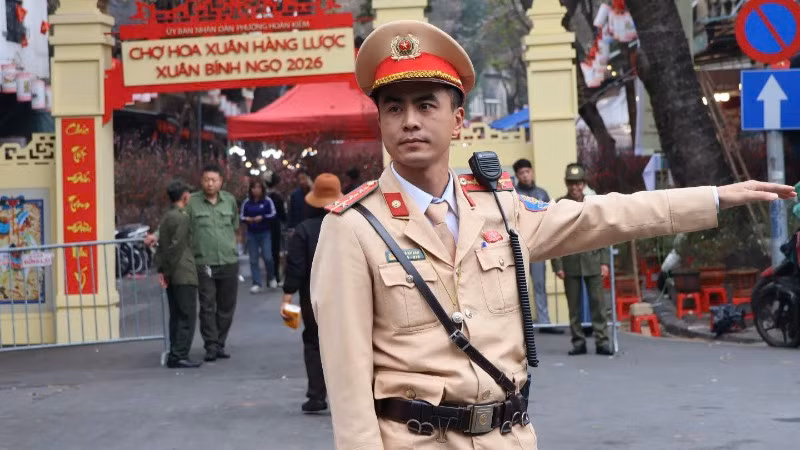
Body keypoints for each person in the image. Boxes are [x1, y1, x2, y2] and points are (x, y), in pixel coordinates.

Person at [309, 20, 795, 450]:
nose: (409, 120)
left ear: (458, 121)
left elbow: (602, 216)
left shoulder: (499, 207)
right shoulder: (352, 228)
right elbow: (349, 389)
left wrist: (713, 197)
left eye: (425, 105)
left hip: (508, 437)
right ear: (381, 121)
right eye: (394, 108)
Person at [280, 173, 343, 414]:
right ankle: (350, 396)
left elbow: (296, 265)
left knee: (314, 342)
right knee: (349, 344)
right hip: (347, 294)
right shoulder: (349, 225)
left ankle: (317, 396)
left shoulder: (304, 230)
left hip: (313, 295)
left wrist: (287, 295)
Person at [550, 163, 612, 355]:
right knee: (573, 307)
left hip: (593, 260)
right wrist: (557, 264)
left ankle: (602, 341)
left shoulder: (593, 203)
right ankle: (578, 342)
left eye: (578, 183)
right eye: (571, 183)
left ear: (584, 183)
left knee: (598, 305)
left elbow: (602, 233)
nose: (574, 187)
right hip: (570, 262)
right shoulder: (560, 204)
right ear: (566, 183)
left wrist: (604, 261)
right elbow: (554, 236)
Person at [186, 163, 240, 362]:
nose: (210, 183)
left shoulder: (230, 201)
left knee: (227, 306)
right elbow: (180, 224)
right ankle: (210, 345)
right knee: (207, 305)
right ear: (201, 181)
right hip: (203, 262)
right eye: (206, 180)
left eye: (214, 180)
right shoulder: (192, 202)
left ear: (221, 182)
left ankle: (220, 342)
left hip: (228, 260)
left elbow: (235, 225)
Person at [512, 158, 562, 335]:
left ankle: (545, 322)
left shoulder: (542, 193)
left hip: (539, 246)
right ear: (517, 175)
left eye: (527, 172)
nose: (525, 175)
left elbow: (550, 218)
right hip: (519, 248)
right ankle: (520, 326)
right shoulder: (513, 194)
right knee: (519, 287)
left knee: (540, 285)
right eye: (521, 173)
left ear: (531, 172)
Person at [156, 180, 202, 369]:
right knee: (187, 315)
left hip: (172, 272)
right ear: (184, 196)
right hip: (183, 271)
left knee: (176, 314)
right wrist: (168, 270)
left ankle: (175, 352)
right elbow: (177, 246)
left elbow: (162, 246)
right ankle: (179, 354)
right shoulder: (182, 217)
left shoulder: (167, 217)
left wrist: (162, 270)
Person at [240, 178, 278, 292]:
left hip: (265, 232)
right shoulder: (246, 202)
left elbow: (273, 214)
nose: (256, 190)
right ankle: (256, 283)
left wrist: (263, 217)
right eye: (253, 188)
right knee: (253, 259)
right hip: (252, 233)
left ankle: (271, 277)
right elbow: (241, 216)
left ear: (262, 189)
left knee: (268, 257)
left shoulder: (267, 201)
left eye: (258, 188)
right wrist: (247, 219)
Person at [265, 173, 287, 285]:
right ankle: (276, 277)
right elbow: (283, 215)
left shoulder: (263, 197)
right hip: (275, 226)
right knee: (275, 251)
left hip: (264, 226)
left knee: (267, 253)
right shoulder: (278, 197)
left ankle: (270, 277)